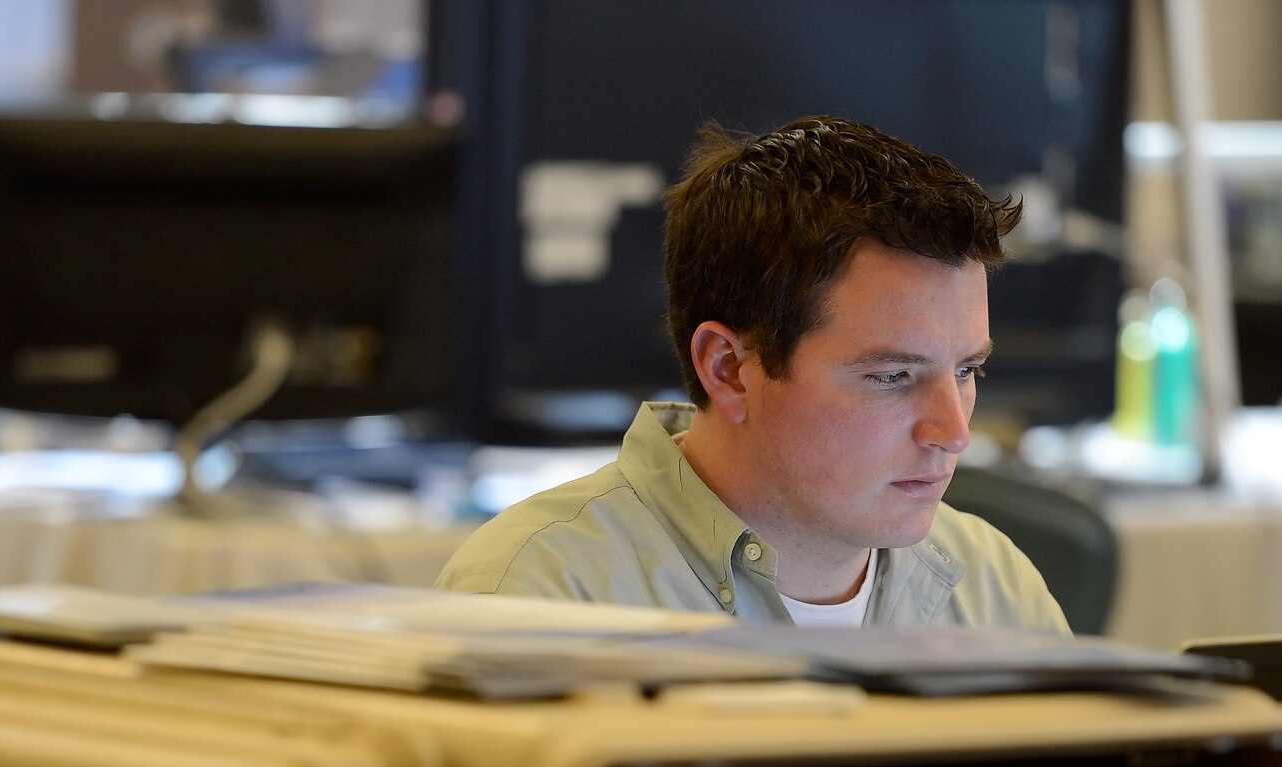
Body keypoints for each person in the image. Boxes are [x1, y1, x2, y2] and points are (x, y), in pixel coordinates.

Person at [435, 115, 1069, 633]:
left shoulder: (996, 588)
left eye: (967, 370)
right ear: (729, 370)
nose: (954, 431)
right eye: (893, 377)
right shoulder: (535, 598)